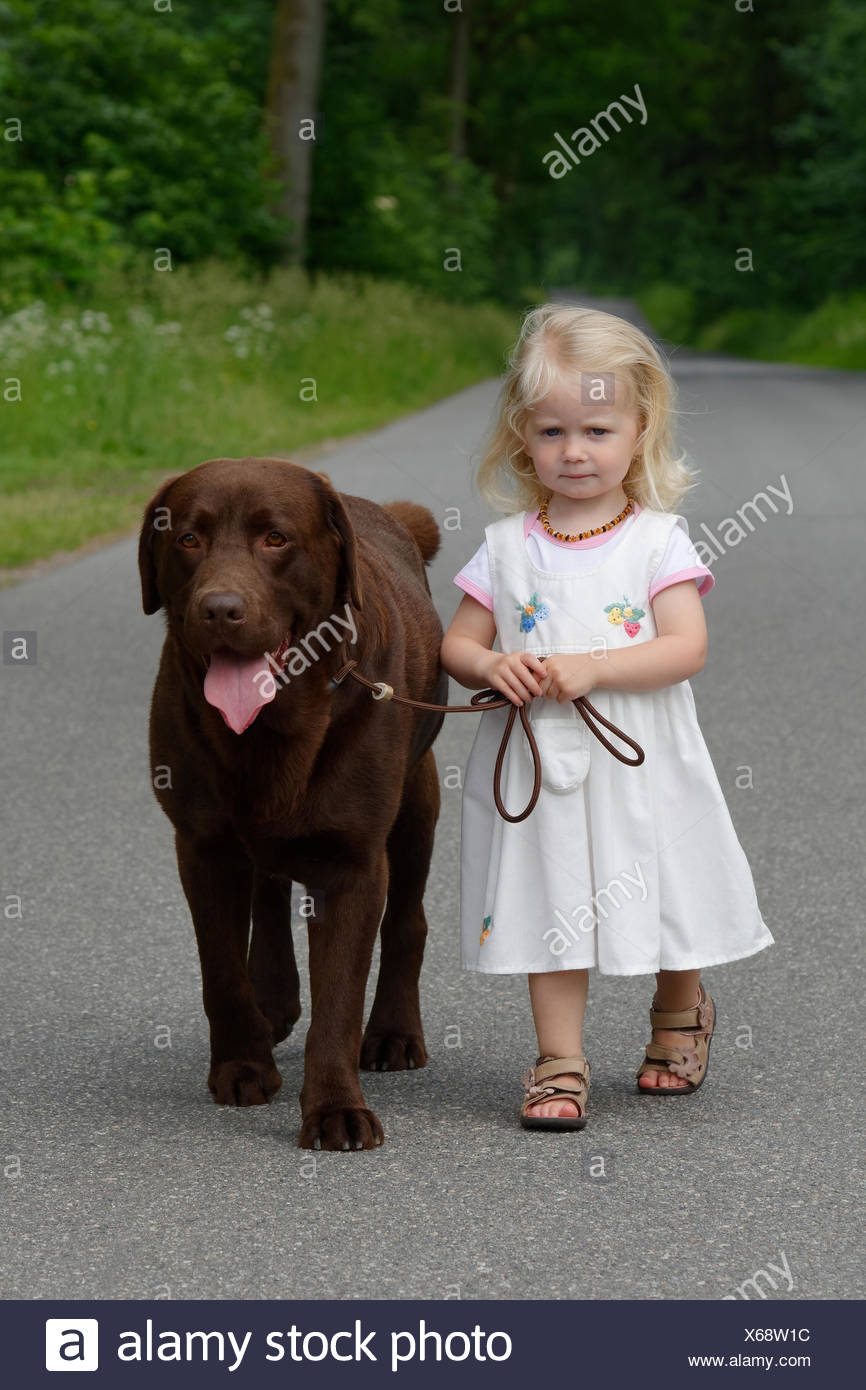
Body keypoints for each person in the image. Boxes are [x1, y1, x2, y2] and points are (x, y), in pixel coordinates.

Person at [439, 303, 773, 1131]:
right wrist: (493, 664)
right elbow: (457, 645)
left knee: (669, 886)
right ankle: (559, 1061)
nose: (575, 451)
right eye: (552, 433)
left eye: (595, 429)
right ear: (523, 436)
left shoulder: (658, 541)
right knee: (551, 896)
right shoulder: (507, 544)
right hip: (540, 766)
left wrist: (594, 667)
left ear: (639, 426)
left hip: (641, 756)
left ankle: (679, 1014)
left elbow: (684, 647)